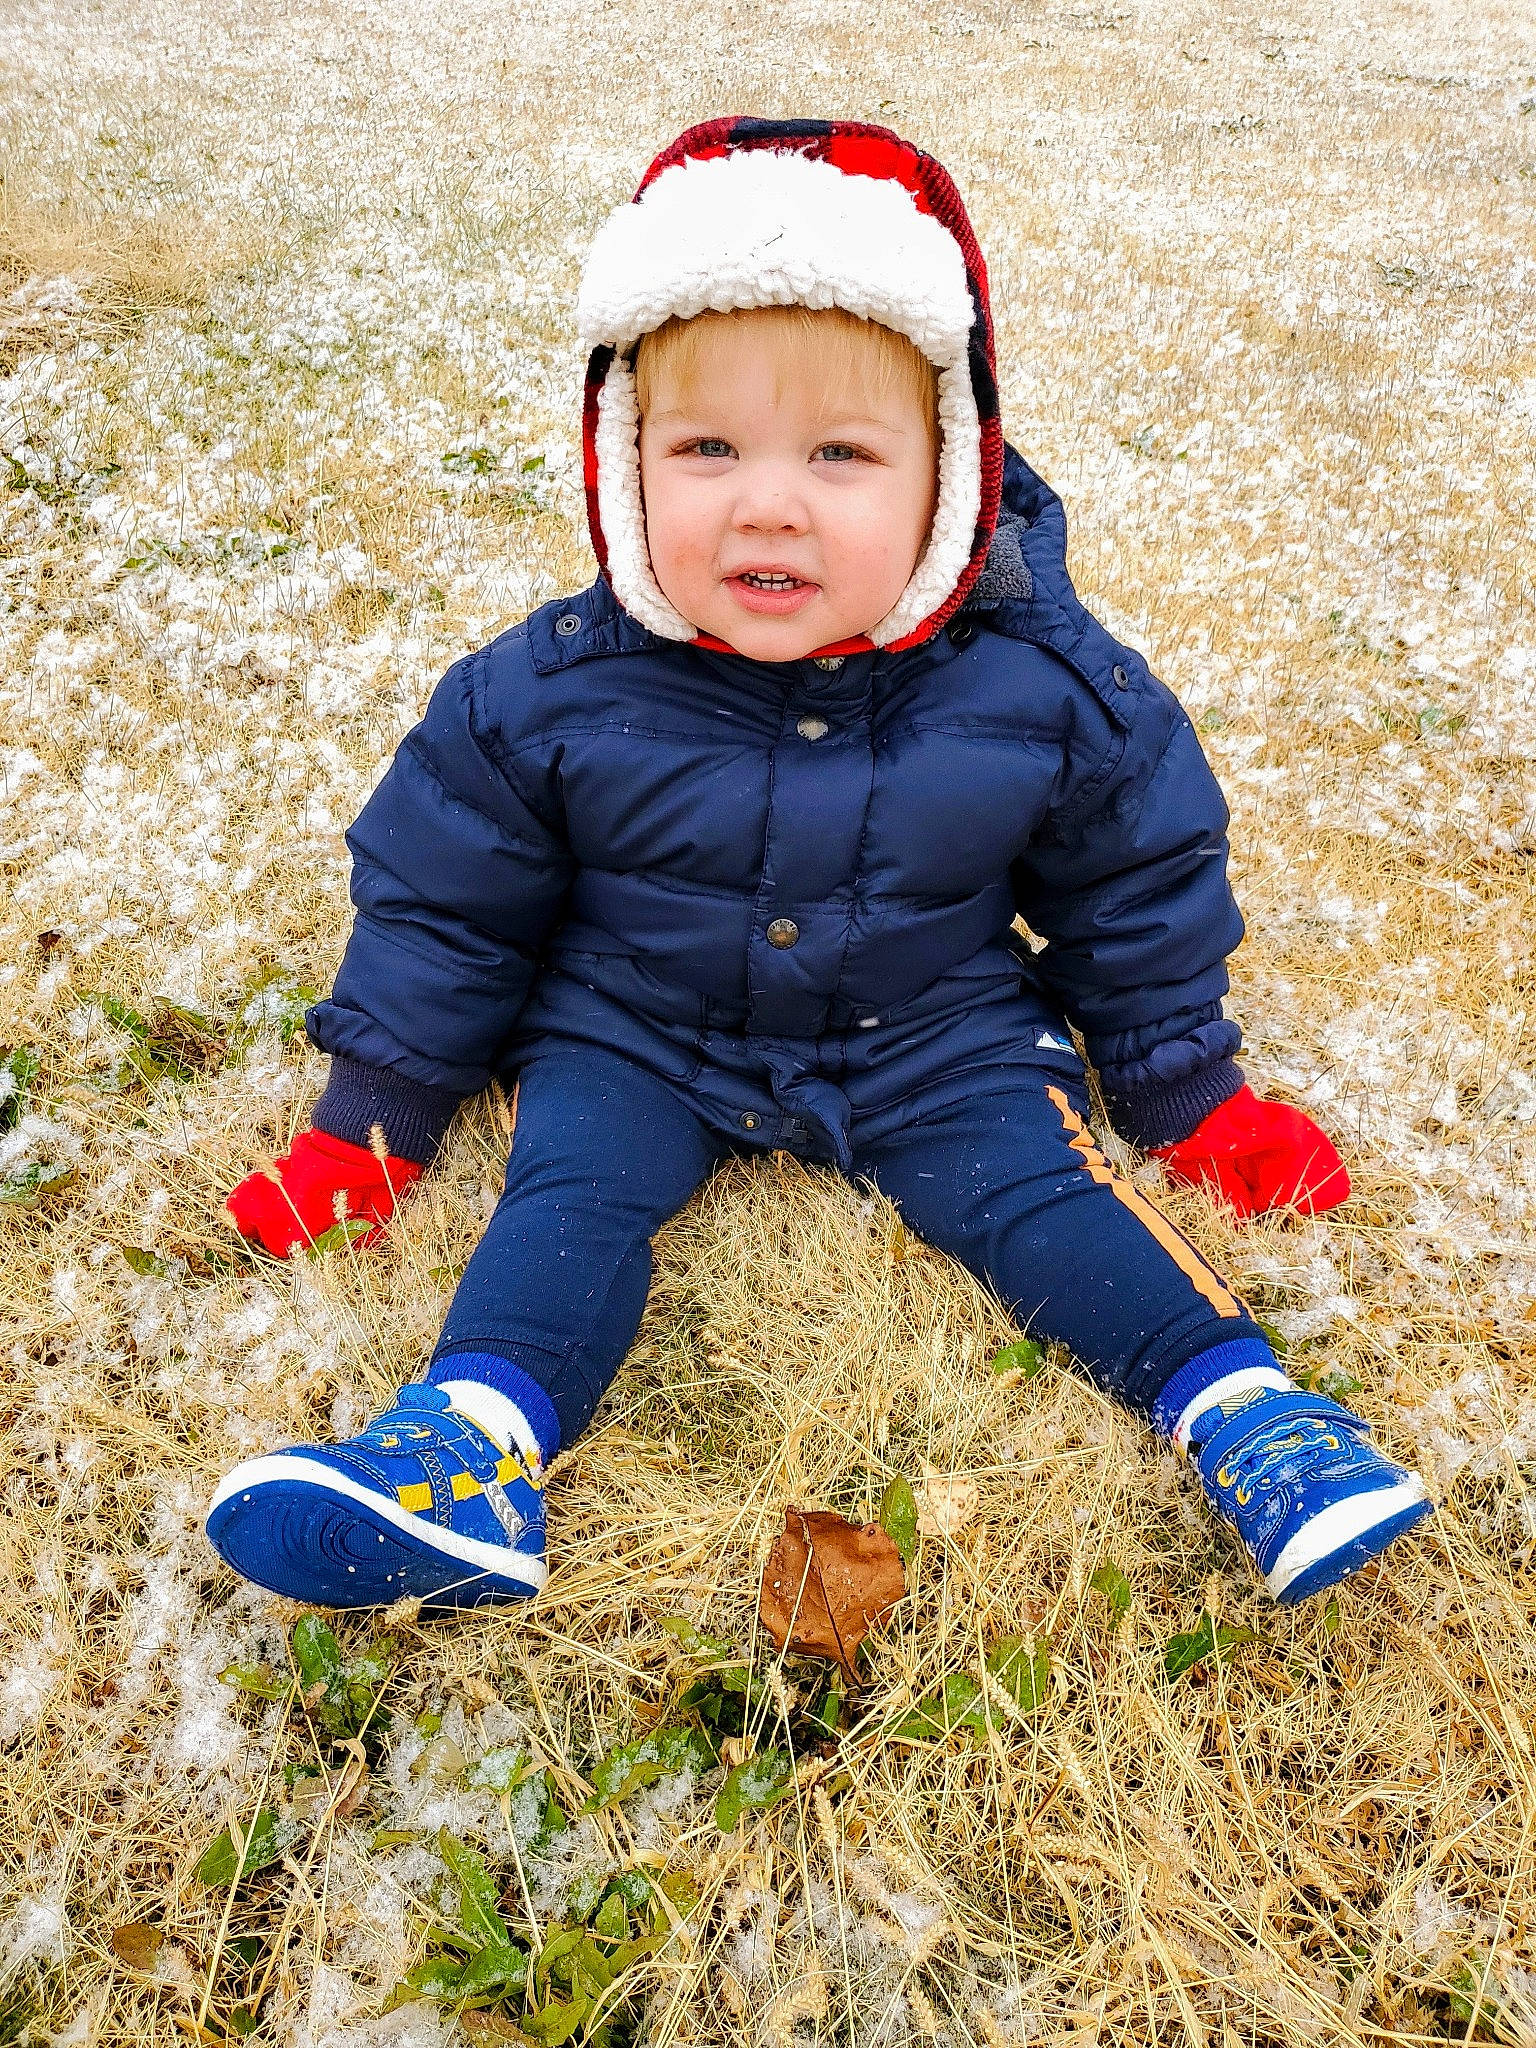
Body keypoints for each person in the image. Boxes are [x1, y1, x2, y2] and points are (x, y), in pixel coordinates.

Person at [205, 118, 1431, 1615]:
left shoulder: (1046, 686)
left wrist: (1187, 1090)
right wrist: (376, 1119)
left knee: (1035, 1190)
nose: (768, 502)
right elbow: (446, 904)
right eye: (706, 448)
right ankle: (465, 1451)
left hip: (933, 1030)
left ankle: (1250, 1416)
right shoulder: (546, 691)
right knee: (570, 1193)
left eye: (840, 456)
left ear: (951, 476)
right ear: (620, 460)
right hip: (637, 1025)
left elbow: (1137, 888)